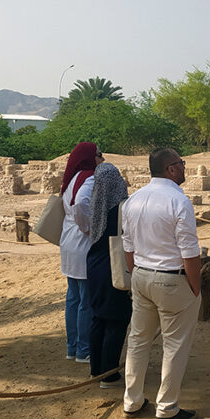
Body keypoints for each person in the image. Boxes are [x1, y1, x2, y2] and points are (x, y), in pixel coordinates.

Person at [121, 148, 202, 419]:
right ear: (170, 169)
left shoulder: (133, 200)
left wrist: (136, 275)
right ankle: (167, 407)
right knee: (175, 344)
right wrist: (195, 286)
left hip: (141, 274)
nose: (184, 168)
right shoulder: (179, 201)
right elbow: (189, 251)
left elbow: (128, 246)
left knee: (138, 340)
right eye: (181, 164)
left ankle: (132, 400)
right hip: (171, 277)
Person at [85, 161, 131, 388]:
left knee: (98, 319)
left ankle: (96, 369)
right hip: (113, 266)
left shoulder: (96, 206)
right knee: (117, 319)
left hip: (94, 264)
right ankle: (110, 373)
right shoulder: (121, 208)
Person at [60, 142, 101, 363]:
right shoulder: (89, 177)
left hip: (68, 242)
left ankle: (72, 346)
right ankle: (84, 349)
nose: (100, 159)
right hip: (81, 242)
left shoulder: (72, 178)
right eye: (98, 155)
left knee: (73, 298)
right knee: (86, 299)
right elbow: (81, 204)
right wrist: (90, 228)